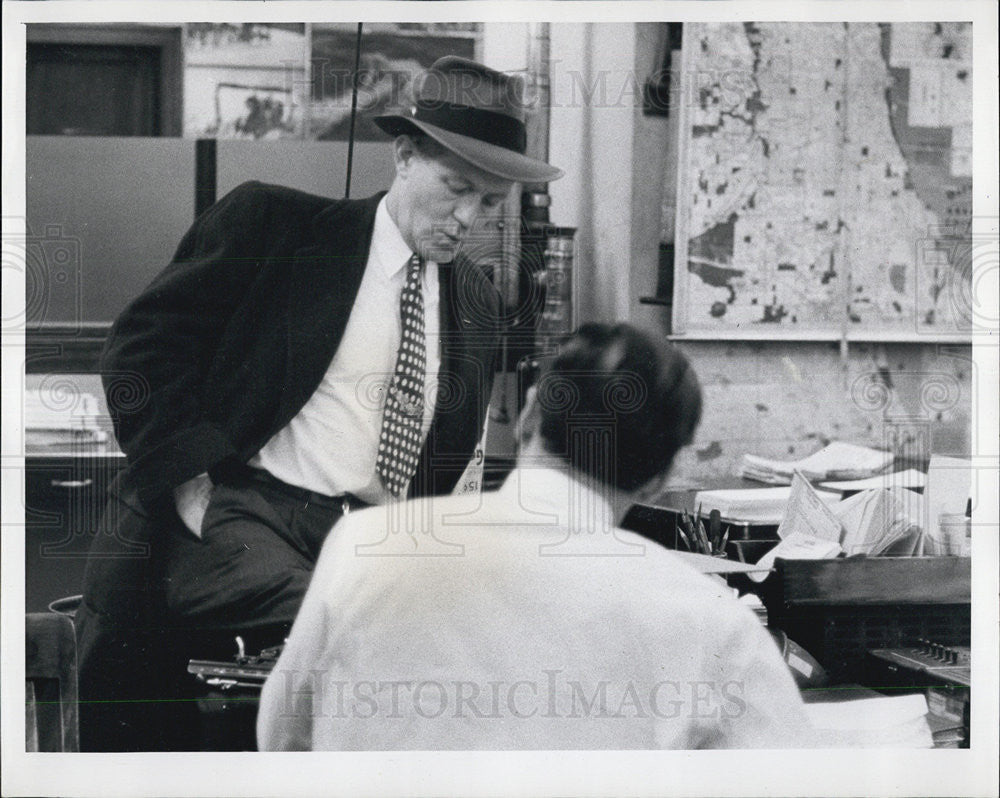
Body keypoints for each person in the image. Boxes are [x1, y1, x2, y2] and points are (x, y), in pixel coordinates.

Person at [75, 55, 564, 752]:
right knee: (350, 639)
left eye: (489, 204)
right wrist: (195, 487)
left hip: (361, 531)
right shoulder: (275, 227)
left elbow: (446, 467)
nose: (467, 219)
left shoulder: (478, 308)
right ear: (403, 156)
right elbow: (140, 353)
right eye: (456, 188)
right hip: (241, 507)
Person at [257, 323, 812, 750]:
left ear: (526, 418)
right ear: (660, 478)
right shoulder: (711, 621)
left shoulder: (363, 544)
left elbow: (281, 738)